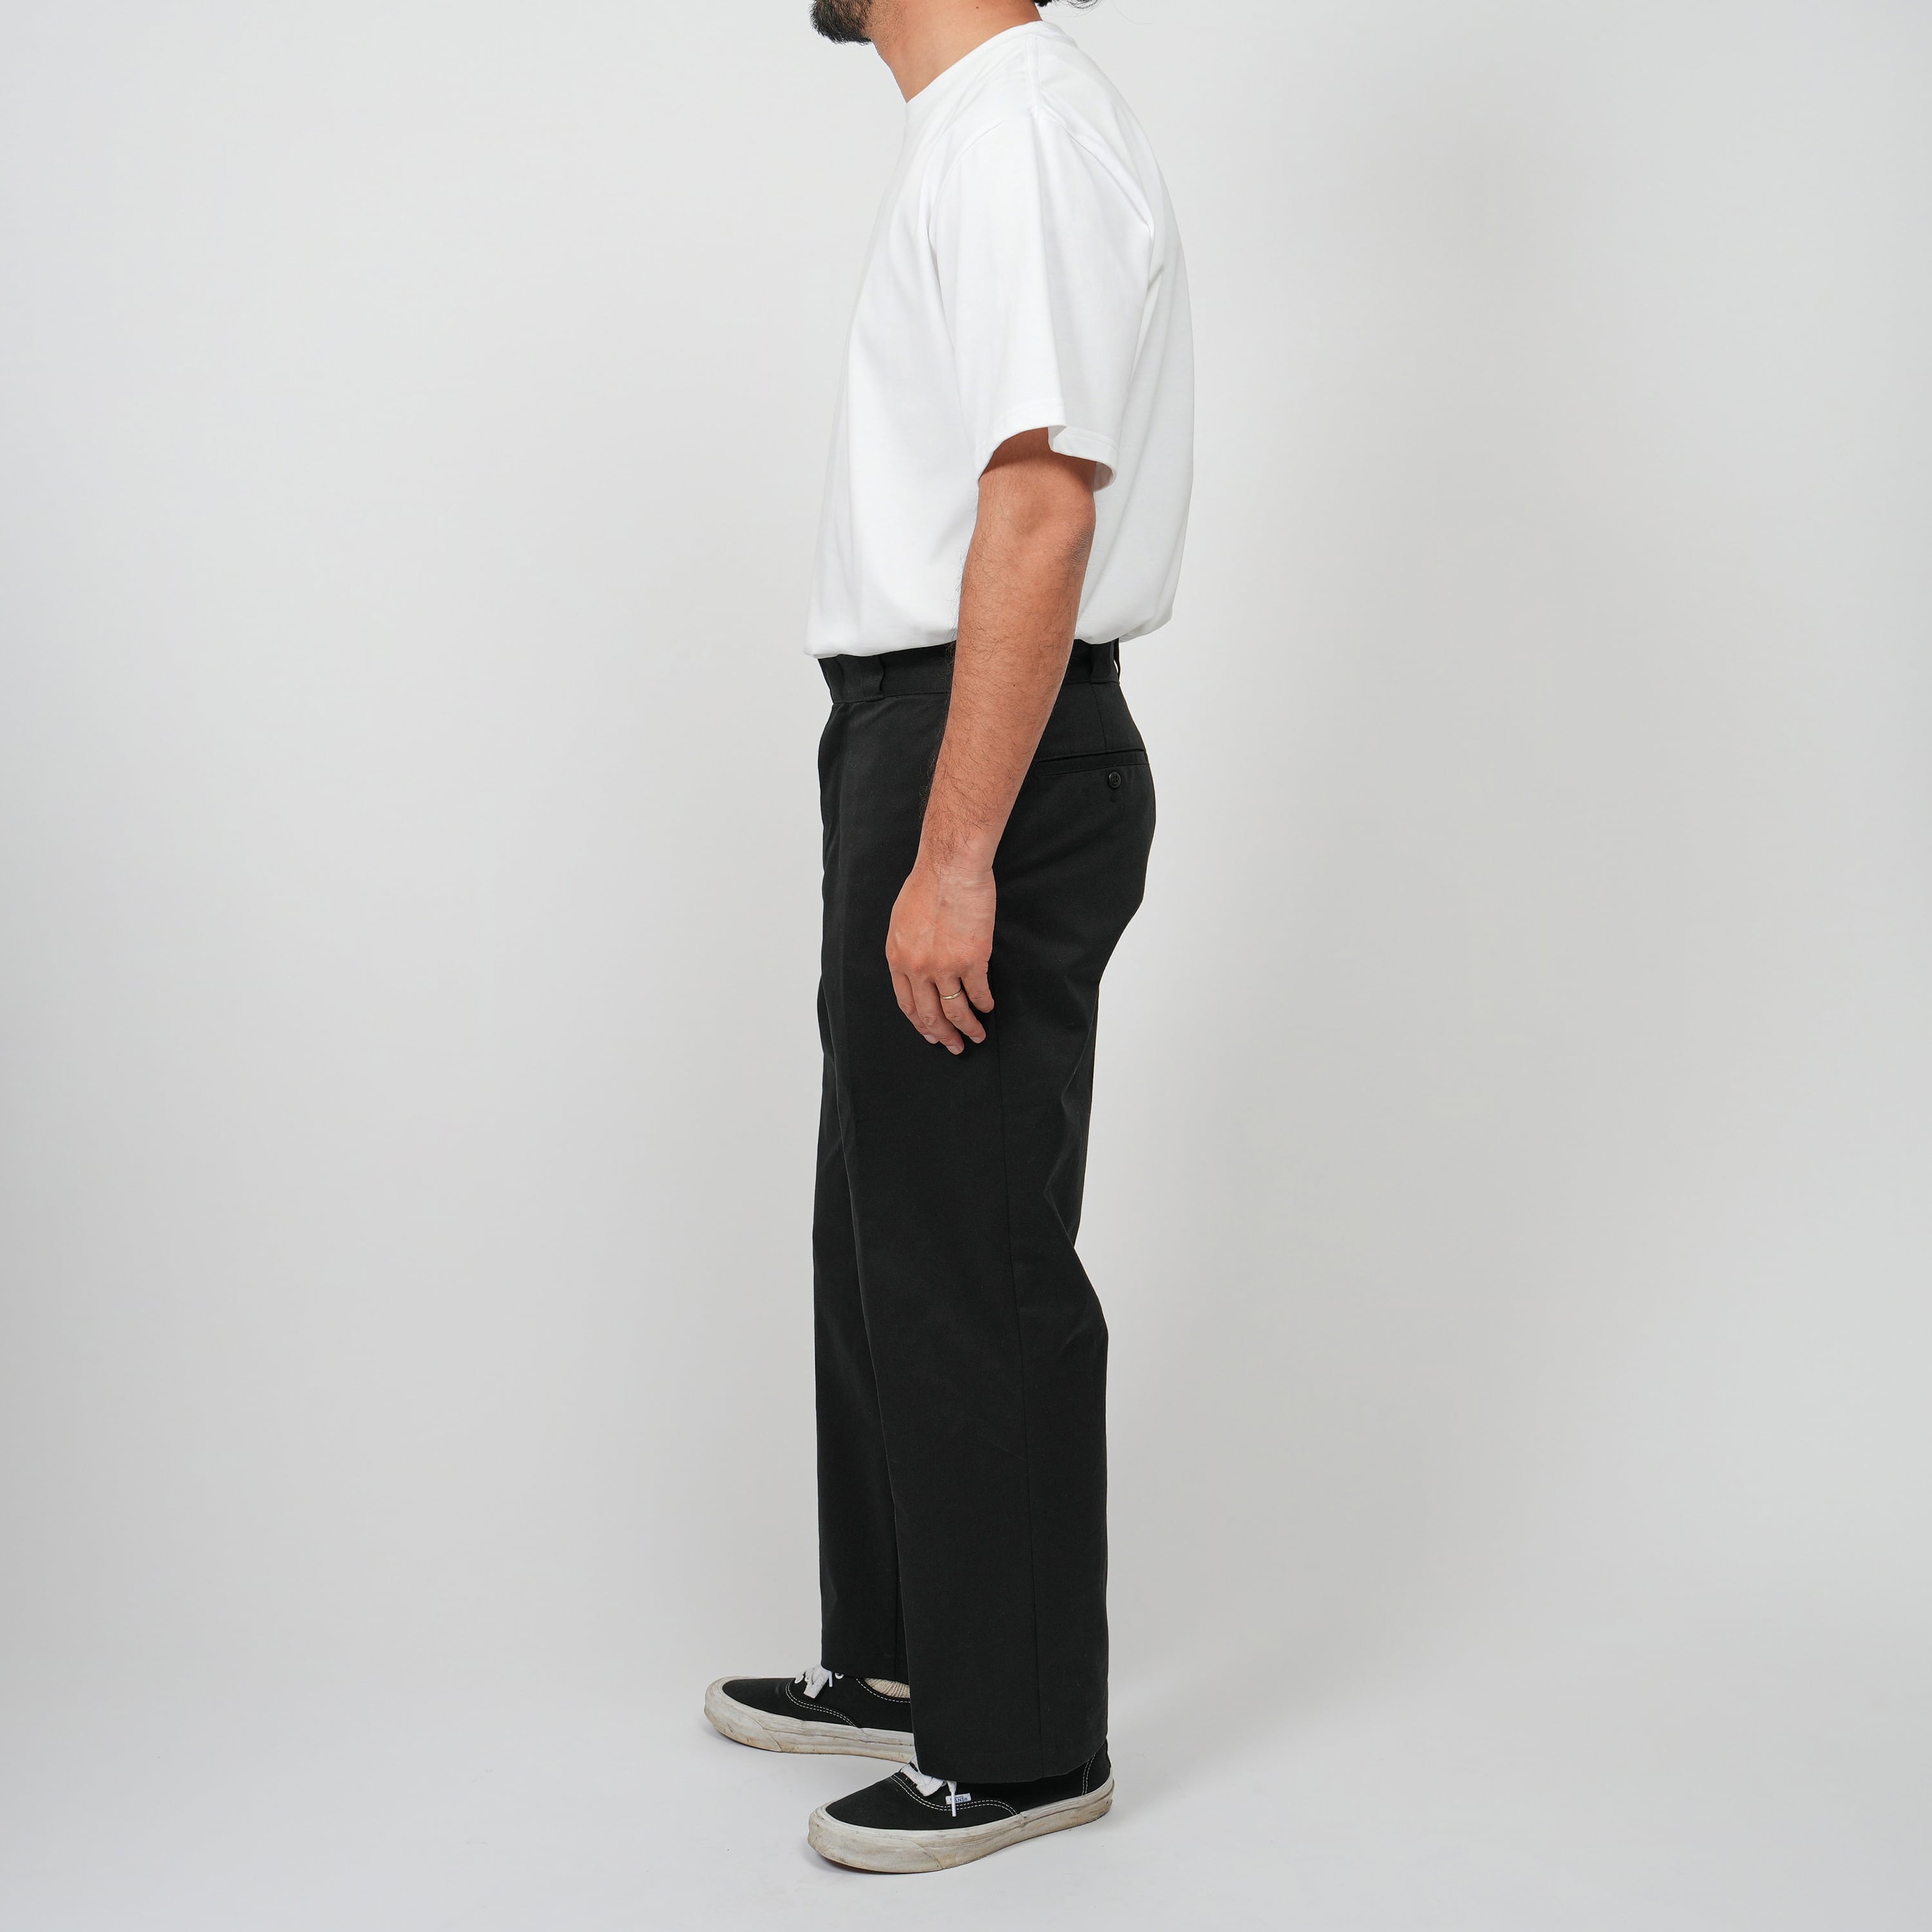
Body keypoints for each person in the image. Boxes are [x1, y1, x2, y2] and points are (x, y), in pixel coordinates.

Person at [702, 0, 1193, 1873]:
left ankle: (1024, 1742)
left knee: (969, 1241)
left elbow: (1044, 502)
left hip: (988, 733)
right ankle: (911, 1661)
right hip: (921, 723)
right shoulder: (981, 130)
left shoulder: (1023, 132)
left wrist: (960, 843)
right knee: (884, 1222)